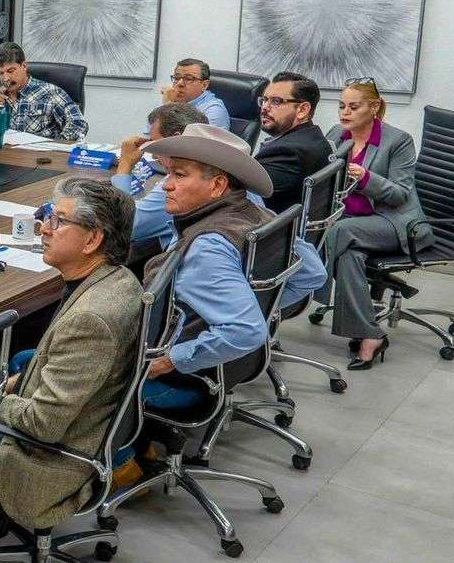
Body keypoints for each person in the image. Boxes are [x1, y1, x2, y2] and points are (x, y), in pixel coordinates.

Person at [0, 179, 142, 531]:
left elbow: (42, 424)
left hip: (48, 461)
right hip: (86, 423)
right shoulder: (120, 280)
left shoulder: (90, 320)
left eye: (59, 220)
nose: (44, 228)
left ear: (92, 239)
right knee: (21, 362)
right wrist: (16, 384)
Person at [136, 125, 324, 415]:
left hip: (183, 376)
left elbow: (245, 331)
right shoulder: (259, 214)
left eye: (179, 175)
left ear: (217, 186)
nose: (166, 185)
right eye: (169, 173)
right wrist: (259, 305)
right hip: (234, 364)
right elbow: (313, 272)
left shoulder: (206, 246)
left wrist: (171, 360)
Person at [315, 79, 431, 370]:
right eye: (342, 106)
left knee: (338, 231)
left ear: (374, 107)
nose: (345, 112)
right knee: (349, 257)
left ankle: (308, 290)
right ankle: (370, 335)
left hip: (394, 223)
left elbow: (400, 194)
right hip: (353, 223)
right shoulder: (336, 135)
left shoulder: (398, 141)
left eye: (354, 107)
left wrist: (365, 177)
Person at [114, 102, 207, 248]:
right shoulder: (211, 171)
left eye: (156, 145)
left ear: (175, 140)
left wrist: (125, 164)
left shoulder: (180, 186)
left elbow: (119, 226)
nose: (154, 156)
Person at [0, 42, 87, 142]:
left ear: (24, 66)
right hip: (2, 157)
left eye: (10, 71)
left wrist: (56, 147)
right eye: (1, 73)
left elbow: (78, 124)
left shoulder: (50, 92)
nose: (6, 78)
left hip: (39, 159)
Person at [255, 71, 332, 214]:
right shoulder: (312, 136)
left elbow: (239, 190)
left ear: (302, 110)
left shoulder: (288, 153)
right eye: (264, 100)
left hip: (272, 225)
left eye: (276, 101)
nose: (265, 107)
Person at [159, 58, 230, 130]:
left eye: (188, 79)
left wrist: (168, 105)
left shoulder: (214, 110)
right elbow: (153, 132)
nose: (180, 83)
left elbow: (178, 135)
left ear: (204, 85)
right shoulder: (169, 98)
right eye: (177, 78)